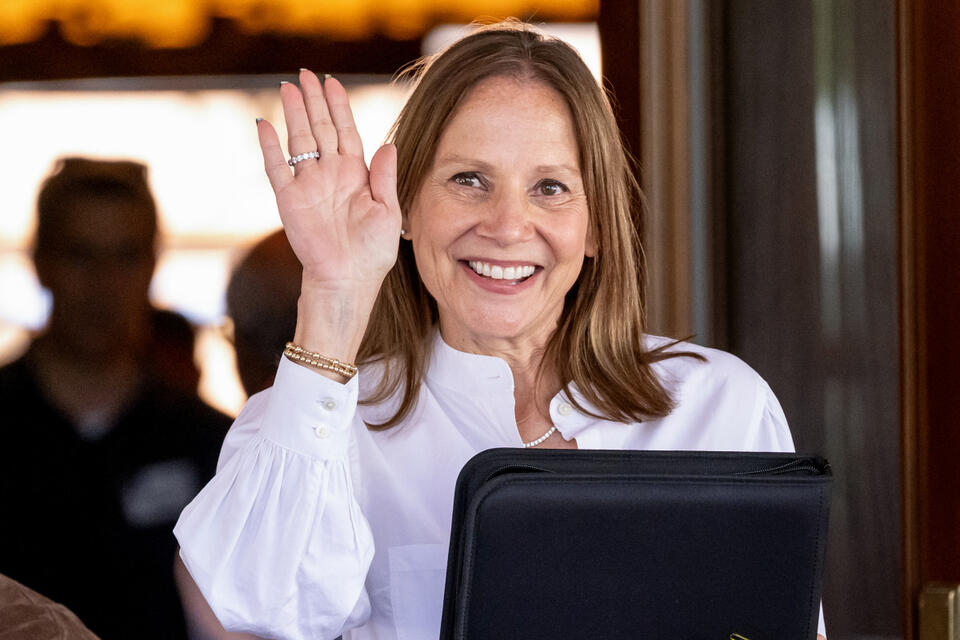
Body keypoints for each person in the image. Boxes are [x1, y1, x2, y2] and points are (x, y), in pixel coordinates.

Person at [175, 22, 827, 640]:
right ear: (406, 208)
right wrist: (334, 290)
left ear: (596, 225)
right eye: (468, 180)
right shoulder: (323, 428)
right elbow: (258, 605)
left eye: (550, 187)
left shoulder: (719, 406)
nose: (508, 226)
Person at [0, 157, 231, 639]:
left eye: (126, 256)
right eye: (80, 255)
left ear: (152, 265)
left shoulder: (211, 445)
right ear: (41, 262)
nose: (103, 284)